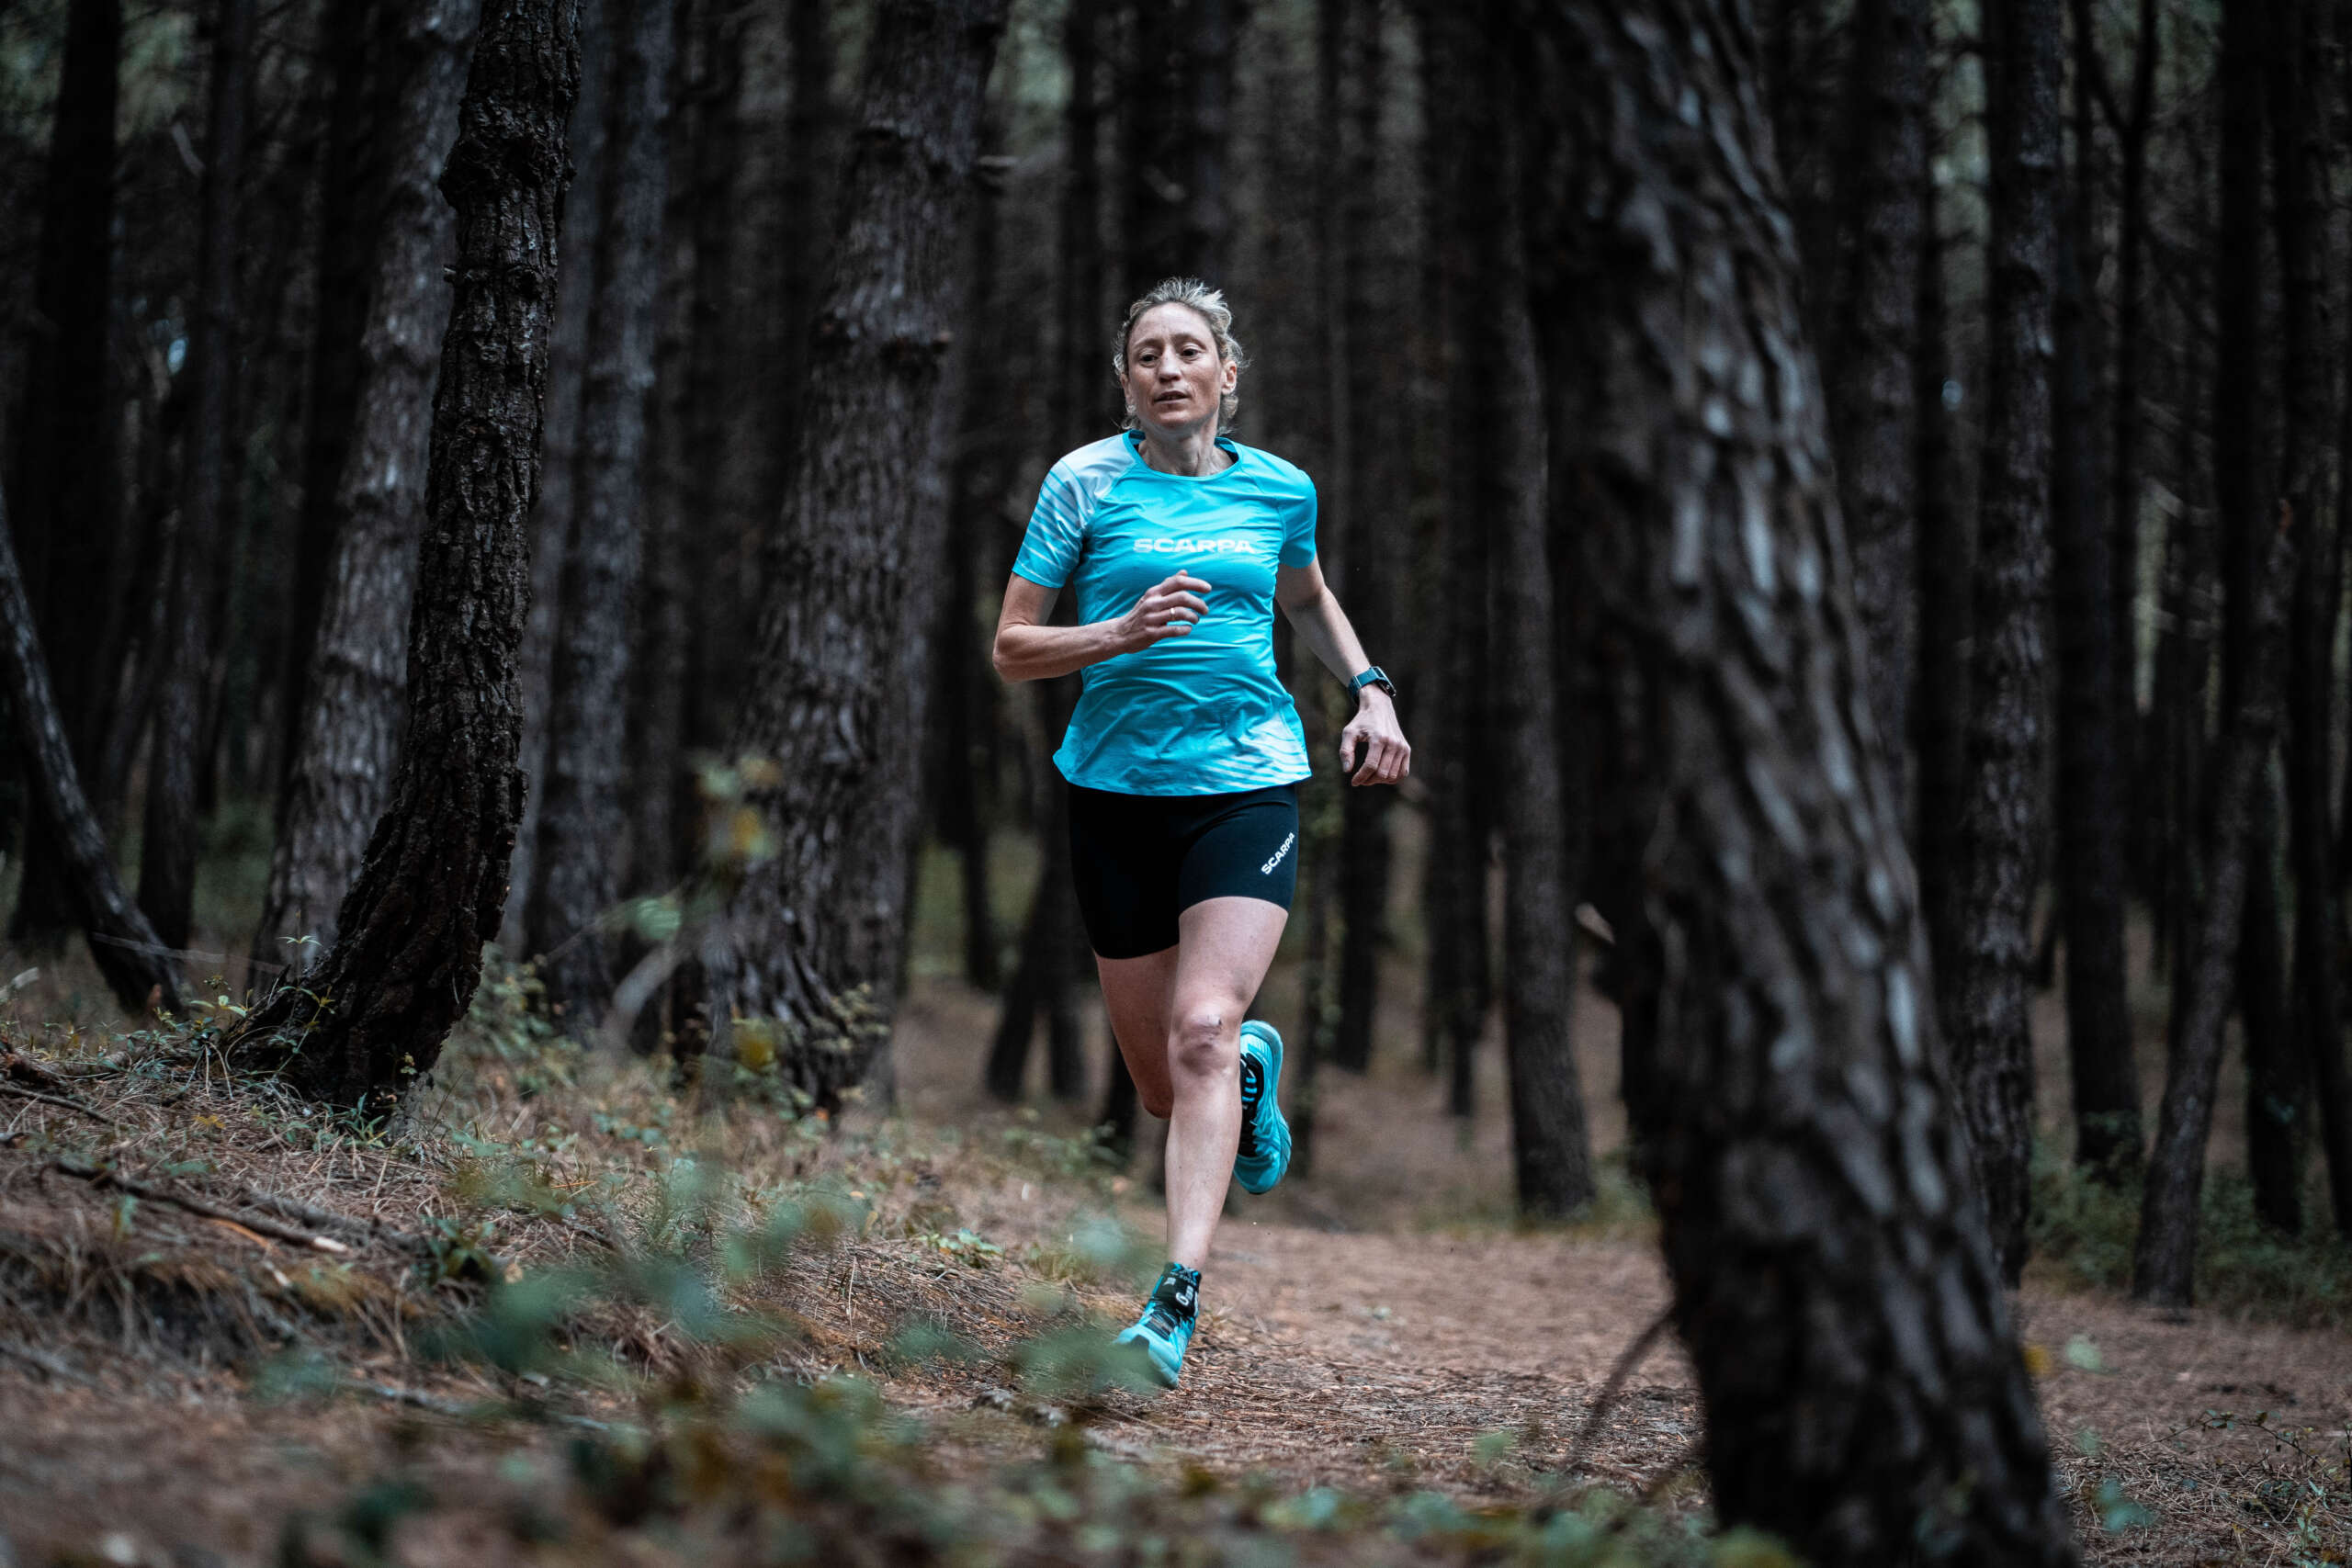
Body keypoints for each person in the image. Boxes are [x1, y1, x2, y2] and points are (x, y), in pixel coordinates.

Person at [991, 278, 1409, 1387]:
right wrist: (1118, 631)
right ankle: (1247, 1071)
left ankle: (1171, 1303)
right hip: (1114, 794)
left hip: (1246, 786)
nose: (1168, 368)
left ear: (1227, 374)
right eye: (1147, 354)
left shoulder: (1279, 488)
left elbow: (1305, 596)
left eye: (1189, 351)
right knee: (1165, 1088)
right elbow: (1012, 646)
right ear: (1125, 382)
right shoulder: (1084, 482)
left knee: (1203, 1028)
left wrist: (1370, 689)